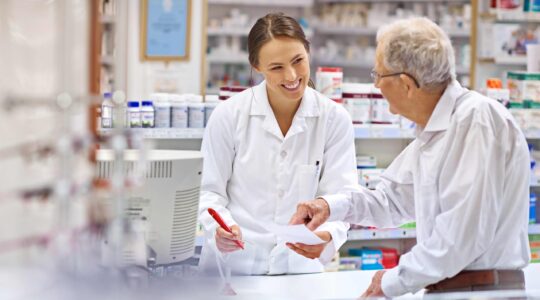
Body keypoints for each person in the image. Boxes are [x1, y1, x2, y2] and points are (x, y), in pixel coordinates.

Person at [290, 17, 531, 297]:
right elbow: (390, 201)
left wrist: (392, 281)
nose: (377, 85)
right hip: (453, 290)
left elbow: (459, 240)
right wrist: (329, 206)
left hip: (482, 292)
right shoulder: (435, 132)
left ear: (406, 83)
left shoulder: (475, 122)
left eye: (378, 75)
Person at [197, 12, 358, 275]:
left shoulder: (333, 118)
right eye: (276, 67)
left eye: (298, 61)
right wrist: (220, 229)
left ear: (309, 52)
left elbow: (343, 196)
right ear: (257, 66)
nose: (292, 75)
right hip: (236, 269)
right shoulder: (229, 115)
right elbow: (208, 192)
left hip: (300, 269)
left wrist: (327, 235)